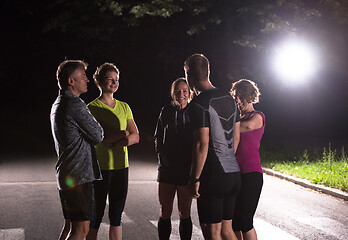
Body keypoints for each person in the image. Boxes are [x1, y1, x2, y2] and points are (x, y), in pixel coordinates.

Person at [184, 54, 241, 240]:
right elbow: (236, 138)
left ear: (188, 76)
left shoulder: (198, 105)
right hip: (233, 173)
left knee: (212, 233)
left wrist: (194, 178)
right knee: (227, 231)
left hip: (213, 176)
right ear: (209, 72)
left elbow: (202, 144)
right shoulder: (231, 100)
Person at [50, 60, 104, 240]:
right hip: (78, 176)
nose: (87, 80)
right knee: (80, 230)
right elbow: (98, 134)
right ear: (71, 81)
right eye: (82, 76)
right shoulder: (75, 104)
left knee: (71, 228)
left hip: (67, 174)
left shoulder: (58, 103)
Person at [86, 62, 139, 240]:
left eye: (116, 80)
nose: (114, 83)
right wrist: (123, 134)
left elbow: (136, 136)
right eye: (110, 79)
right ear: (99, 82)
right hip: (99, 169)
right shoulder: (91, 108)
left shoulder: (124, 107)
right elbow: (99, 137)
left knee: (116, 217)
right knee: (95, 217)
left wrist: (118, 142)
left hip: (121, 167)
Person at [154, 78, 194, 240]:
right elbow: (158, 136)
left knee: (184, 212)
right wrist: (162, 156)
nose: (181, 94)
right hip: (167, 169)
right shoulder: (166, 110)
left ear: (190, 93)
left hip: (186, 169)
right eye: (178, 91)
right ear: (173, 93)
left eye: (185, 91)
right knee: (165, 210)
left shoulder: (194, 111)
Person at [231, 79, 265, 240]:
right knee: (234, 223)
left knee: (245, 221)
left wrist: (225, 124)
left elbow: (247, 127)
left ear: (251, 96)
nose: (237, 100)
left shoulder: (257, 116)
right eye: (235, 97)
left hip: (252, 175)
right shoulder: (235, 119)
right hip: (235, 174)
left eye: (241, 97)